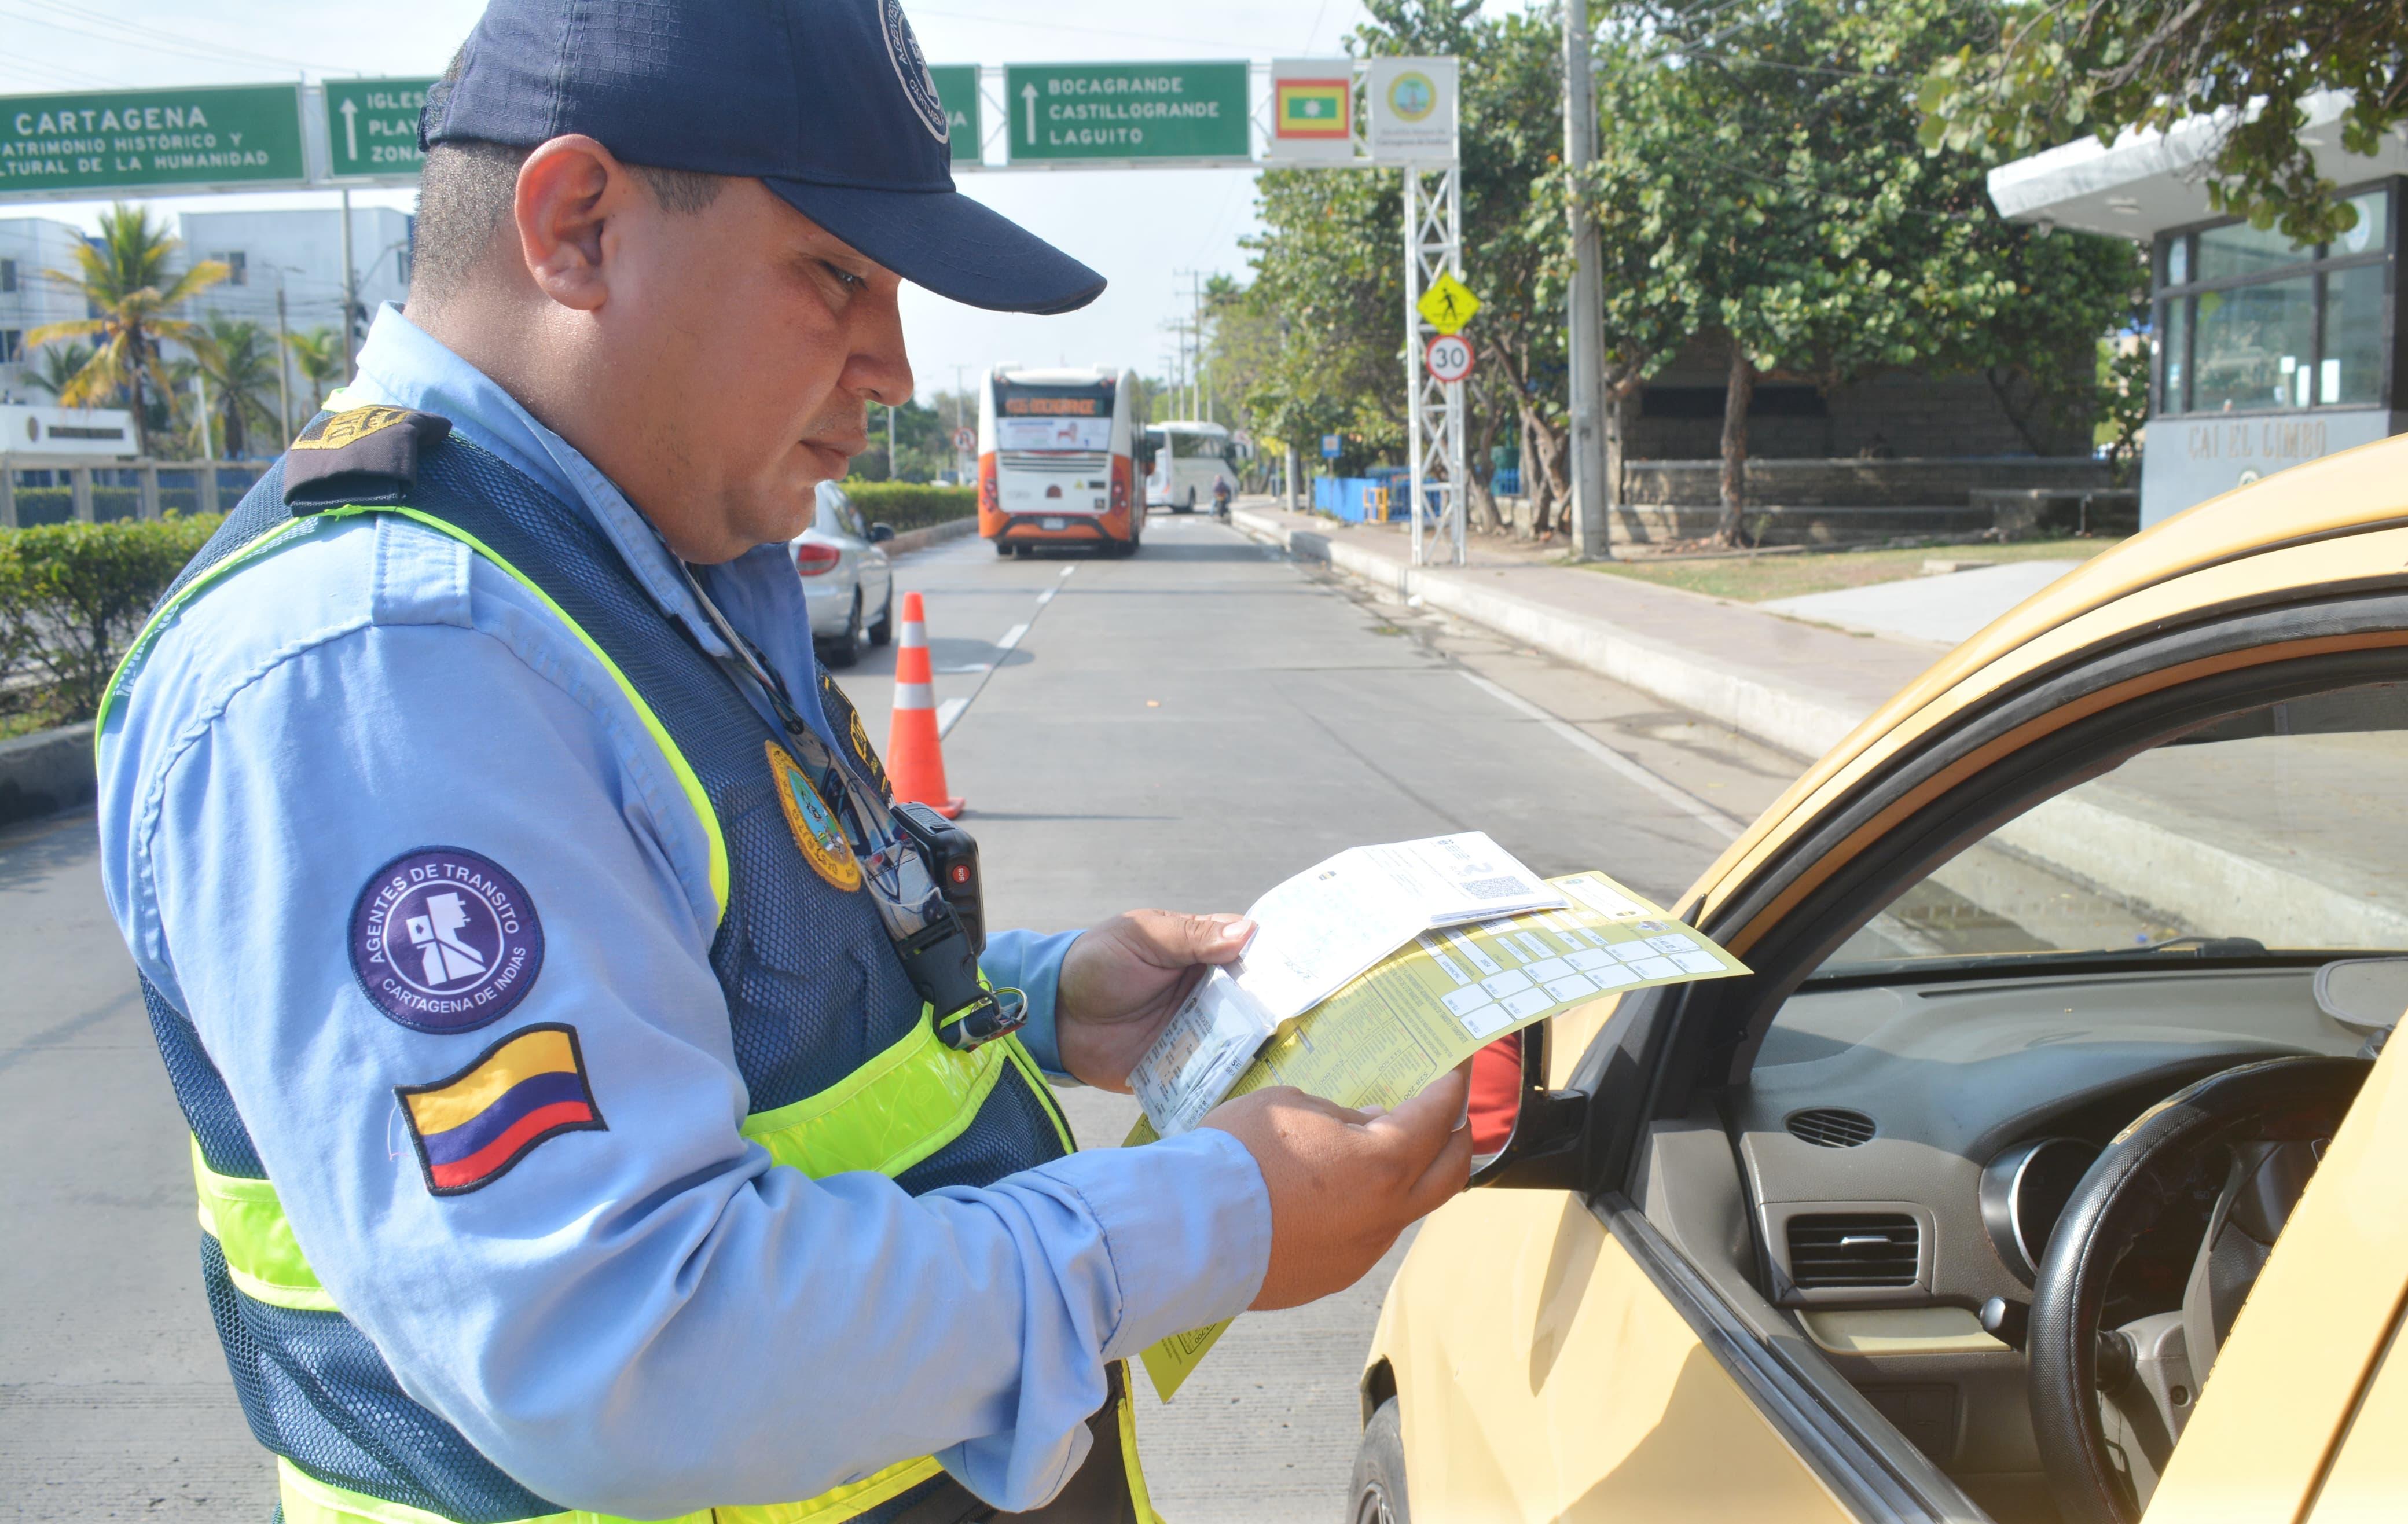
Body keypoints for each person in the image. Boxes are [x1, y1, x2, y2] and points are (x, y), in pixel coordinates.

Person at [91, 4, 1473, 1522]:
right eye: (835, 275)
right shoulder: (385, 663)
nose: (895, 366)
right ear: (577, 227)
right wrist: (1215, 1215)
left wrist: (1030, 995)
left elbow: (708, 996)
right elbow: (629, 1345)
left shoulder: (636, 563)